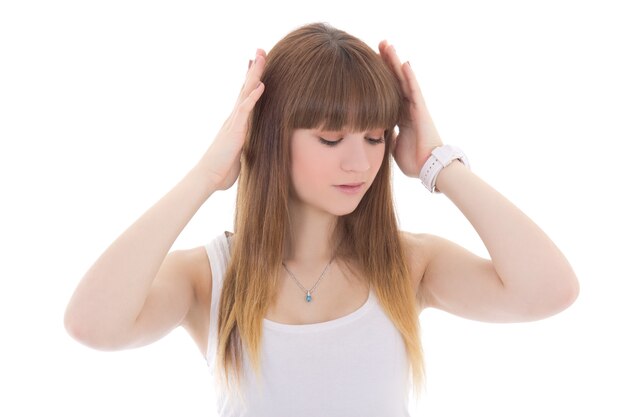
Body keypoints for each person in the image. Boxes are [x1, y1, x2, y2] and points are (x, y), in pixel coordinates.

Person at [64, 22, 579, 416]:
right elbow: (92, 325)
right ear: (269, 136)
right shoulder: (210, 278)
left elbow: (550, 290)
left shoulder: (407, 265)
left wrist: (437, 163)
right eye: (331, 139)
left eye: (375, 137)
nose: (360, 163)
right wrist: (207, 175)